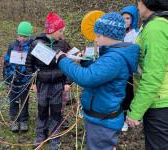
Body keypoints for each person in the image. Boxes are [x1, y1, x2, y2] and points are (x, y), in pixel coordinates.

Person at [56, 12, 140, 150]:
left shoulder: (114, 58)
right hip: (100, 117)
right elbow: (102, 74)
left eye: (98, 35)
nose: (96, 39)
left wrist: (63, 60)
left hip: (103, 122)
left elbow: (87, 78)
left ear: (110, 35)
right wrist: (86, 62)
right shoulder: (112, 54)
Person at [26, 12, 72, 150]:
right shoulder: (36, 44)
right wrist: (32, 82)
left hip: (58, 84)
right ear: (51, 30)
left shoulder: (63, 45)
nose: (62, 33)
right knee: (42, 110)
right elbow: (28, 65)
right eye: (60, 30)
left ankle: (55, 138)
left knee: (56, 112)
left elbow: (68, 63)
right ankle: (41, 136)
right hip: (42, 84)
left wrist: (67, 82)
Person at [125, 0, 168, 149]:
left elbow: (153, 76)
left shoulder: (155, 28)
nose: (138, 5)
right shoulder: (159, 23)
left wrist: (135, 111)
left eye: (139, 1)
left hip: (159, 103)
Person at [3, 21, 34, 133]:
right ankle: (14, 119)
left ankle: (24, 119)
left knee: (24, 100)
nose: (22, 38)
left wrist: (32, 78)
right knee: (14, 100)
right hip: (14, 80)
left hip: (26, 80)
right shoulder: (13, 46)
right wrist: (7, 76)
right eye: (20, 36)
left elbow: (34, 64)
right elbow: (6, 61)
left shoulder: (32, 46)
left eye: (25, 36)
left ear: (29, 35)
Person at [120, 5, 140, 132]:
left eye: (128, 18)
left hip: (132, 72)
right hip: (121, 71)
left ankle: (130, 117)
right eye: (123, 18)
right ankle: (122, 119)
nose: (125, 21)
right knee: (121, 95)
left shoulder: (137, 33)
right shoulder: (119, 33)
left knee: (130, 96)